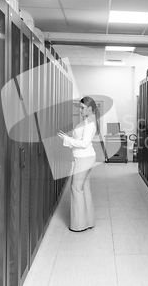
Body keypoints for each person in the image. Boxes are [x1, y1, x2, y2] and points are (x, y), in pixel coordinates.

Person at [58, 96, 100, 232]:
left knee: (76, 187)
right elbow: (81, 139)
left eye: (82, 108)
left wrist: (67, 140)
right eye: (79, 107)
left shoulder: (89, 123)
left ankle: (79, 225)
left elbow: (84, 143)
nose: (80, 110)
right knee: (84, 187)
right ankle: (88, 221)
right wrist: (69, 138)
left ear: (90, 108)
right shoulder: (88, 120)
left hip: (84, 158)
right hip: (85, 157)